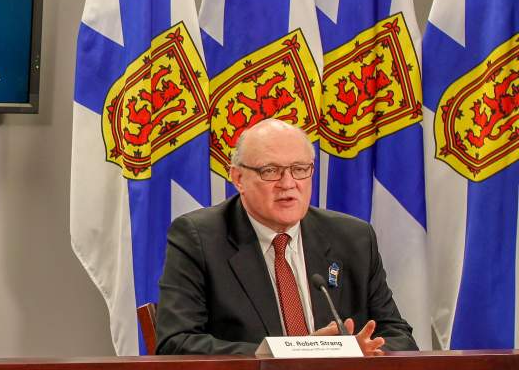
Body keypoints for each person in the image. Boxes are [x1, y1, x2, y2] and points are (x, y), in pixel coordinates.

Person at [155, 118, 417, 356]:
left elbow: (398, 336)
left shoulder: (353, 238)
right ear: (238, 178)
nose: (288, 183)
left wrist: (357, 351)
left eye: (300, 168)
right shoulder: (199, 238)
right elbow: (176, 343)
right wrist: (288, 353)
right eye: (270, 171)